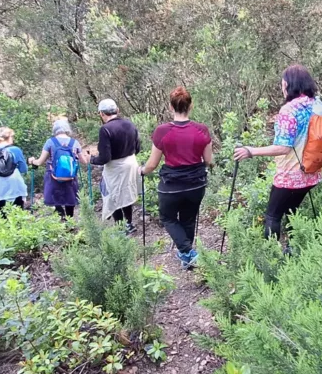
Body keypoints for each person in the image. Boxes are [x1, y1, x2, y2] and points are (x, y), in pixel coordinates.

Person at [233, 64, 322, 243]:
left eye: (283, 84)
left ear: (289, 85)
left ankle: (272, 257)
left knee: (273, 216)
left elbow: (283, 147)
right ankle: (294, 251)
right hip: (312, 171)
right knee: (292, 213)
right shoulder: (317, 104)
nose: (282, 88)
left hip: (290, 175)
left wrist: (250, 151)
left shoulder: (289, 110)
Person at [140, 87, 214, 269]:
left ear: (170, 107)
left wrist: (141, 171)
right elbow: (209, 161)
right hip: (196, 184)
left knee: (168, 218)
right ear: (191, 106)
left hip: (171, 186)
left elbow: (152, 165)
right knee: (188, 219)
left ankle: (189, 253)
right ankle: (187, 256)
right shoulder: (202, 130)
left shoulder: (162, 132)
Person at [89, 98, 140, 231]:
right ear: (117, 110)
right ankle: (128, 223)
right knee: (126, 193)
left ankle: (120, 227)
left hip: (115, 168)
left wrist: (92, 160)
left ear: (101, 113)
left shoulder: (105, 130)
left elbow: (105, 157)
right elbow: (138, 148)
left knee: (112, 196)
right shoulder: (130, 124)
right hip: (131, 163)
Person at [29, 119, 82, 221]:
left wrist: (32, 161)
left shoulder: (50, 142)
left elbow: (40, 162)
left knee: (55, 197)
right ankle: (70, 220)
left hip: (53, 175)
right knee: (69, 198)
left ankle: (61, 215)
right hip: (70, 176)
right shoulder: (74, 142)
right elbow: (83, 160)